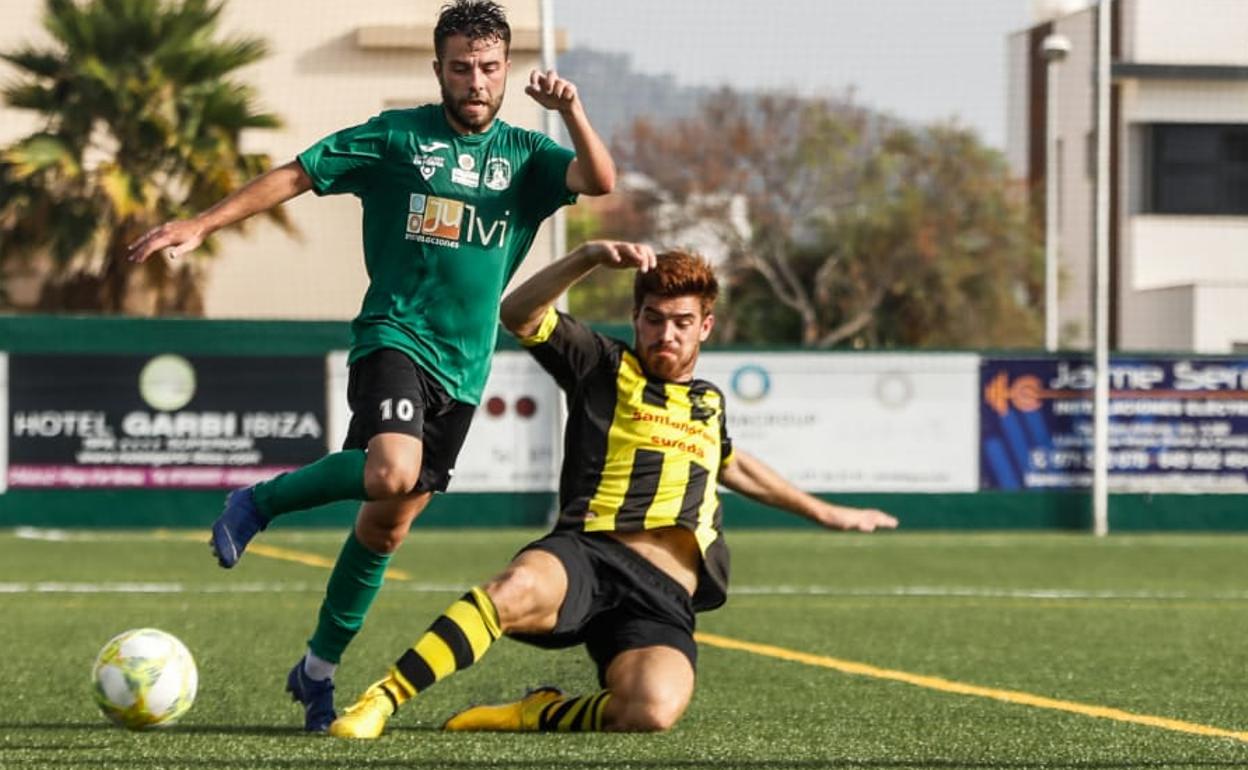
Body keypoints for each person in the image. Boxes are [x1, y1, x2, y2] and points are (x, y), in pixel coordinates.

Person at [126, 0, 615, 732]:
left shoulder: (529, 157)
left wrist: (572, 111)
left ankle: (316, 671)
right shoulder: (396, 137)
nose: (474, 82)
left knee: (385, 529)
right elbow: (299, 174)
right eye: (460, 68)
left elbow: (600, 180)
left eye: (487, 68)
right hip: (394, 336)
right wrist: (200, 223)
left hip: (464, 371)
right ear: (438, 70)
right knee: (387, 470)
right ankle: (257, 501)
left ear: (504, 70)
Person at [325, 241, 899, 739]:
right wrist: (587, 258)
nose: (665, 334)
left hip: (663, 596)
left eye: (680, 322)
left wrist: (826, 513)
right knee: (514, 588)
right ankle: (382, 699)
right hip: (589, 553)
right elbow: (518, 313)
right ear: (636, 316)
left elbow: (733, 465)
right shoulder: (602, 363)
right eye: (653, 319)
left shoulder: (708, 403)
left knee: (651, 709)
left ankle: (537, 714)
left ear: (706, 326)